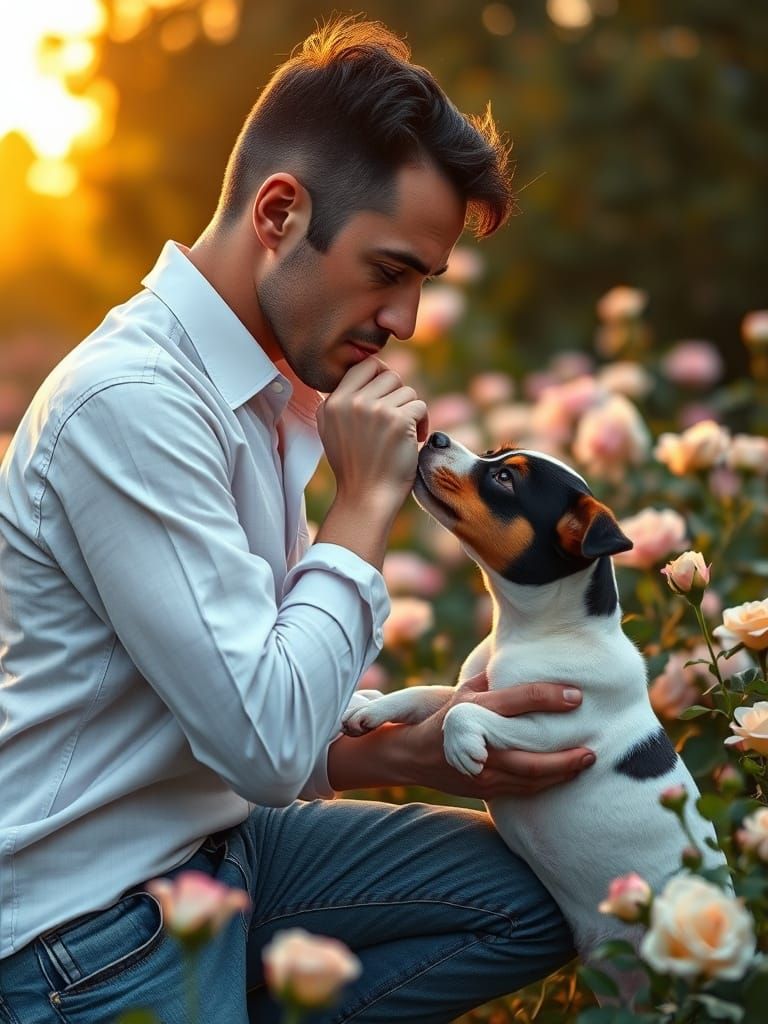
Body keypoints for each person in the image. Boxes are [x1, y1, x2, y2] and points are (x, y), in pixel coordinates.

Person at [0, 16, 595, 1023]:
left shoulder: (265, 393)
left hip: (224, 847)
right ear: (280, 212)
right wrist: (363, 506)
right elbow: (267, 745)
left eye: (422, 283)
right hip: (89, 926)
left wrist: (395, 747)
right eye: (388, 271)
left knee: (546, 899)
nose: (404, 321)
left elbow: (245, 706)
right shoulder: (132, 404)